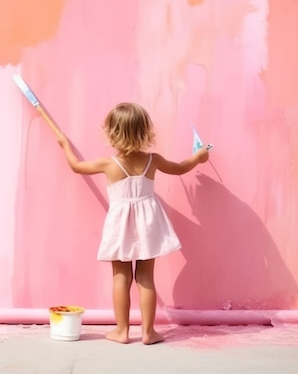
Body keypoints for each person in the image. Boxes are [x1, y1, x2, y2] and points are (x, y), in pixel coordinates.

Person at [57, 102, 209, 345]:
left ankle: (122, 331)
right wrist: (198, 157)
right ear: (144, 131)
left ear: (113, 133)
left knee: (121, 278)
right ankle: (149, 333)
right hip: (148, 223)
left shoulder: (108, 164)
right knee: (146, 278)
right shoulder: (153, 160)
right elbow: (181, 168)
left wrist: (65, 145)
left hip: (120, 226)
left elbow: (76, 167)